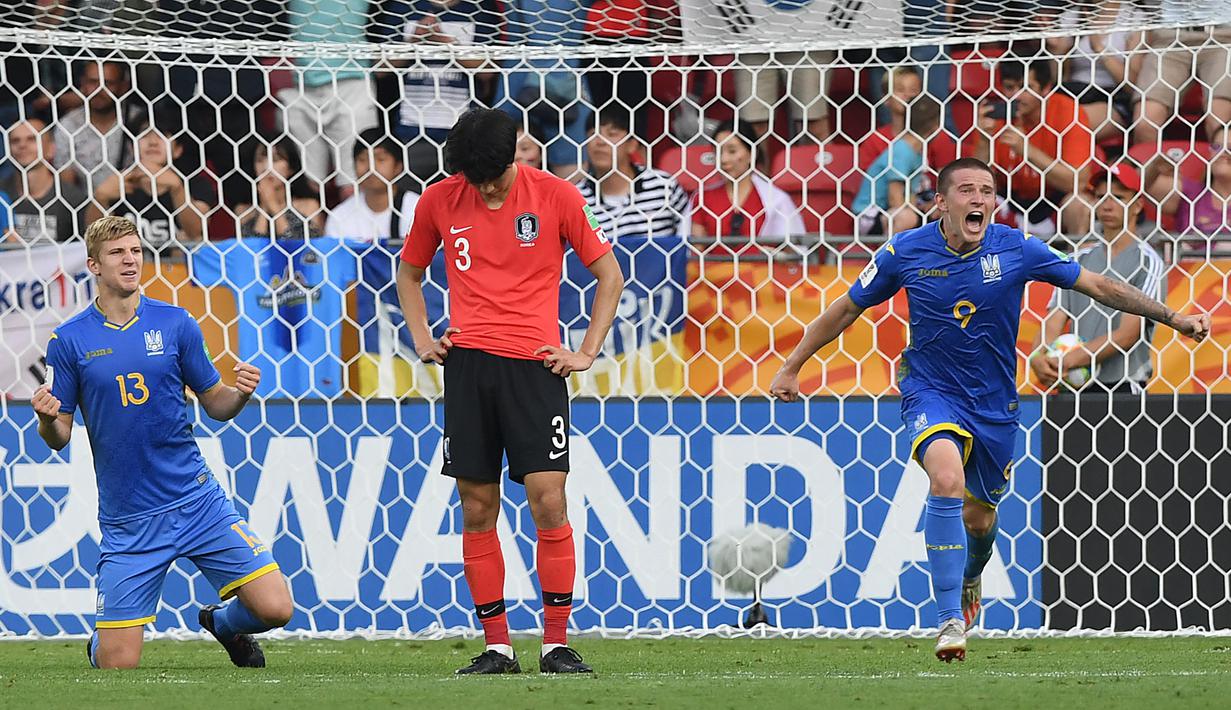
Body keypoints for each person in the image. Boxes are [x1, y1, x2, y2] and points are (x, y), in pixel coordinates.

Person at [768, 157, 1210, 662]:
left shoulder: (1016, 247)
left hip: (995, 402)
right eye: (967, 191)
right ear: (941, 201)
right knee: (946, 481)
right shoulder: (904, 250)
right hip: (930, 389)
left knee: (979, 518)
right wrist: (791, 365)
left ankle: (972, 575)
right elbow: (847, 308)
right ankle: (948, 619)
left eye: (988, 191)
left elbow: (1098, 285)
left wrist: (1172, 316)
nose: (979, 199)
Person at [396, 108, 624, 674]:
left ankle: (555, 643)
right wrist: (423, 337)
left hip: (535, 369)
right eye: (475, 180)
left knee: (549, 499)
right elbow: (408, 272)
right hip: (469, 369)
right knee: (477, 506)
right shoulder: (438, 200)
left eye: (493, 178)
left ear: (516, 156)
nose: (486, 189)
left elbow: (610, 276)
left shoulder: (557, 196)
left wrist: (586, 352)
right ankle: (497, 646)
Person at [31, 215, 293, 669]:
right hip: (129, 520)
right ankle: (102, 642)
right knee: (118, 665)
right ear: (93, 265)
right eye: (117, 253)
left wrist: (242, 394)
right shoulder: (69, 341)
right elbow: (58, 437)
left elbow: (215, 403)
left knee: (275, 608)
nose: (130, 259)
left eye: (135, 250)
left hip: (196, 500)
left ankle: (224, 624)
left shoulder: (177, 324)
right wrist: (45, 418)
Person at [1030, 164, 1166, 393]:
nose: (1107, 204)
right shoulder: (1077, 259)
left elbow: (1128, 334)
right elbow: (1055, 318)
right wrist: (1038, 356)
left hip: (1123, 386)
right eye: (1101, 196)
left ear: (1138, 206)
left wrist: (1069, 360)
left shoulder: (1148, 261)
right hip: (1072, 384)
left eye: (1118, 197)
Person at [382, 0, 500, 189]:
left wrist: (445, 42)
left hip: (464, 135)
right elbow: (380, 68)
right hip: (410, 131)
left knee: (462, 207)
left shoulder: (478, 8)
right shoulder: (402, 7)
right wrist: (414, 41)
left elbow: (488, 71)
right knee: (411, 207)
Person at [971, 59, 1095, 239]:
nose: (1016, 95)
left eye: (1025, 87)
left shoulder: (1068, 112)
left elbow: (1078, 181)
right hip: (1009, 199)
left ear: (1045, 89)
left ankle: (1074, 262)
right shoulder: (995, 116)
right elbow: (978, 181)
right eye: (1009, 87)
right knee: (972, 200)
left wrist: (1026, 150)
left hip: (1053, 199)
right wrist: (983, 140)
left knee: (1079, 204)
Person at [279, 0, 379, 195]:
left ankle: (350, 226)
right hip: (302, 82)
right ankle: (315, 226)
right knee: (306, 183)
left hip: (351, 79)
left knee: (354, 182)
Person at [88, 116, 214, 249]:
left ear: (177, 150)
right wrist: (100, 198)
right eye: (145, 135)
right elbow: (94, 238)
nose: (153, 142)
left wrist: (177, 189)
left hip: (178, 267)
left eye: (162, 135)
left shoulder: (195, 184)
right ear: (132, 147)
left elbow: (196, 232)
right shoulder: (118, 185)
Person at [576, 110, 690, 241]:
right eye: (593, 134)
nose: (600, 142)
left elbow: (686, 244)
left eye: (611, 134)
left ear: (632, 145)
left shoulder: (664, 186)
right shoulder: (577, 198)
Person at [1047, 0, 1145, 143]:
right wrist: (1056, 52)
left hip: (1112, 98)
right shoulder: (1073, 15)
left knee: (1072, 123)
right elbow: (1057, 78)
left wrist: (1099, 48)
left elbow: (1133, 85)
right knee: (1041, 117)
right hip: (1075, 93)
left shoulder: (1135, 17)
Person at [690, 121, 804, 243]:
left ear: (752, 153)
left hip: (762, 262)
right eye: (718, 152)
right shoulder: (702, 198)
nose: (723, 159)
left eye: (732, 151)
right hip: (716, 263)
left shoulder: (777, 200)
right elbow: (695, 253)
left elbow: (793, 252)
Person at [853, 96, 943, 236]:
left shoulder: (917, 153)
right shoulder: (901, 151)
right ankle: (888, 254)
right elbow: (895, 198)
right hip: (869, 215)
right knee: (907, 217)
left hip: (889, 213)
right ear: (936, 126)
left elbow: (909, 195)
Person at [1134, 18, 1231, 147]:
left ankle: (1218, 166)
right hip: (1170, 35)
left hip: (1222, 36)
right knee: (1146, 122)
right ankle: (1153, 166)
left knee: (1219, 121)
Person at [53, 60, 139, 190]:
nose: (99, 89)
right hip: (84, 205)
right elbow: (66, 184)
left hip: (131, 203)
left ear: (123, 87)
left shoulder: (139, 121)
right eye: (93, 82)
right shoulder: (68, 125)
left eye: (108, 83)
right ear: (83, 83)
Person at [324, 128, 420, 241]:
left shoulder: (418, 209)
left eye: (381, 159)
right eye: (362, 159)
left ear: (398, 166)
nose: (371, 168)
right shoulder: (339, 217)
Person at [2, 118, 87, 243]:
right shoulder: (1, 194)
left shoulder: (72, 199)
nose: (22, 145)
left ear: (51, 149)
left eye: (32, 139)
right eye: (15, 141)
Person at [235, 138, 323, 239]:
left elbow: (296, 248)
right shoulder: (244, 210)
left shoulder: (309, 206)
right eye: (260, 160)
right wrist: (264, 207)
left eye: (275, 159)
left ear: (291, 167)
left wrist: (273, 206)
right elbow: (253, 250)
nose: (267, 167)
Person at [1144, 144, 1231, 240]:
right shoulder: (1191, 192)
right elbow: (1136, 186)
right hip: (1187, 253)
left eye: (1230, 148)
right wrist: (1153, 167)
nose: (1223, 152)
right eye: (1216, 146)